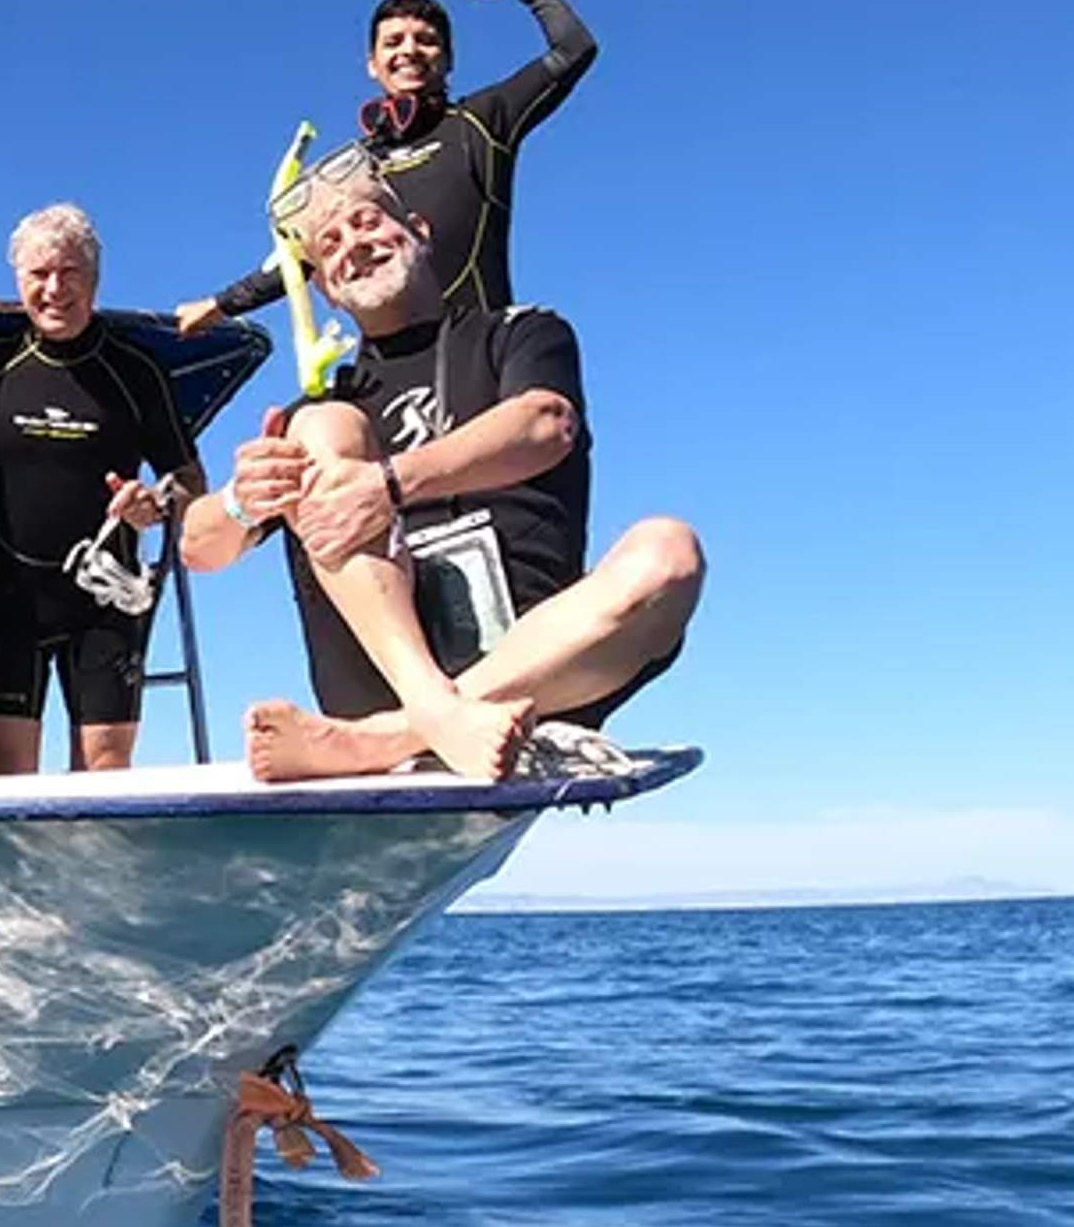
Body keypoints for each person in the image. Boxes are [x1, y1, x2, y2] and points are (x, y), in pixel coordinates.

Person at [175, 163, 703, 782]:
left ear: (418, 230)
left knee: (670, 551)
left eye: (367, 220)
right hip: (385, 678)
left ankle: (388, 738)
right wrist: (242, 498)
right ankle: (428, 708)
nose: (353, 244)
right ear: (324, 289)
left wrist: (390, 484)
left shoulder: (518, 332)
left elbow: (546, 424)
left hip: (536, 676)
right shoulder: (321, 406)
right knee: (320, 428)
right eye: (331, 243)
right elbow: (199, 548)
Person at [0, 205, 198, 775]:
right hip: (10, 599)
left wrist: (156, 504)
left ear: (94, 280)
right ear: (18, 281)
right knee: (6, 774)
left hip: (106, 600)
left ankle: (96, 869)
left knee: (105, 770)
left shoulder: (135, 372)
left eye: (71, 272)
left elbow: (189, 482)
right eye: (39, 274)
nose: (55, 289)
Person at [177, 0, 597, 334]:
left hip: (483, 351)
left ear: (448, 60)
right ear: (372, 65)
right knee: (311, 410)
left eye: (426, 40)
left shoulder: (483, 120)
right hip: (394, 366)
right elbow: (300, 258)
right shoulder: (351, 167)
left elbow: (574, 48)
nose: (409, 50)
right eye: (393, 42)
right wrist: (219, 305)